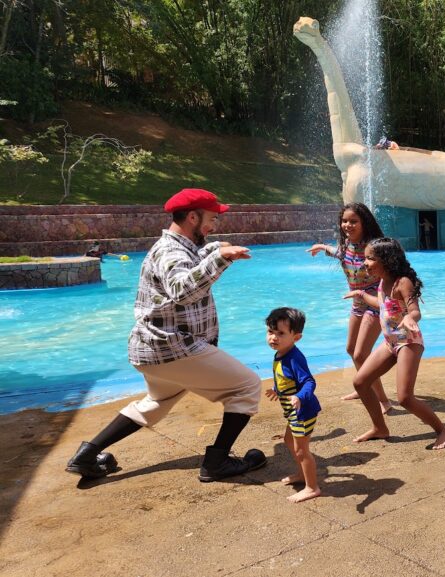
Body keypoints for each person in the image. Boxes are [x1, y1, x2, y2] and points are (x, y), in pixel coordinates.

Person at [65, 188, 266, 482]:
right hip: (174, 348)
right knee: (247, 386)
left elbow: (194, 259)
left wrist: (216, 249)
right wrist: (221, 258)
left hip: (152, 349)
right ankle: (217, 462)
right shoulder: (171, 252)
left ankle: (86, 455)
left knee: (157, 402)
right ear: (193, 217)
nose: (214, 226)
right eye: (211, 219)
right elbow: (182, 290)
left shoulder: (178, 247)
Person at [345, 238, 445, 449]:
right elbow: (382, 305)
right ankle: (380, 428)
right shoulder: (382, 281)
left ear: (386, 260)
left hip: (408, 342)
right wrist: (361, 295)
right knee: (360, 382)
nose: (365, 262)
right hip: (390, 343)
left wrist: (410, 318)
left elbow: (415, 310)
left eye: (370, 258)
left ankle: (442, 430)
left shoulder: (402, 282)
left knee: (404, 397)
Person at [307, 203, 394, 414]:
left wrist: (399, 297)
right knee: (351, 349)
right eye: (344, 221)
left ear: (364, 223)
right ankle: (364, 387)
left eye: (353, 221)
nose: (348, 225)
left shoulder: (373, 248)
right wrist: (323, 247)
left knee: (361, 354)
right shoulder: (347, 245)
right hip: (357, 305)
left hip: (374, 304)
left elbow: (394, 267)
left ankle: (383, 400)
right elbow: (340, 254)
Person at [264, 307, 322, 503]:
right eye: (270, 331)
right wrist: (277, 389)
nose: (273, 337)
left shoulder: (294, 358)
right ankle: (302, 474)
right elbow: (286, 377)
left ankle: (312, 487)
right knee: (289, 441)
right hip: (293, 411)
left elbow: (309, 382)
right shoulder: (281, 353)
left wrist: (299, 397)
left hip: (303, 411)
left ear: (296, 337)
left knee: (301, 450)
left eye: (280, 333)